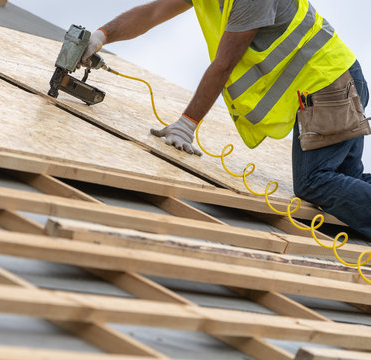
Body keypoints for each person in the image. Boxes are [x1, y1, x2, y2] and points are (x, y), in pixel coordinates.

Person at [81, 0, 371, 239]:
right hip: (336, 82)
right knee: (347, 182)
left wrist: (186, 124)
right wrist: (102, 35)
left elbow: (224, 64)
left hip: (328, 84)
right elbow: (154, 12)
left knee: (315, 182)